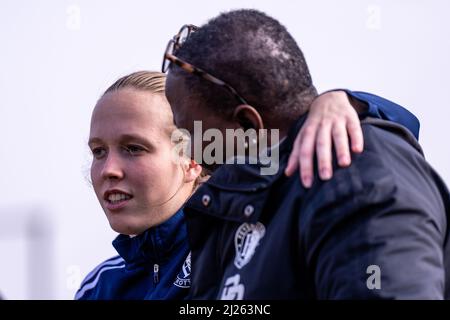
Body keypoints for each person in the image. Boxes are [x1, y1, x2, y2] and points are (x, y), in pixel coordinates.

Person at [163, 9, 450, 299]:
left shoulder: (355, 179)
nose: (186, 148)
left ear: (248, 124)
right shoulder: (249, 200)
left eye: (188, 131)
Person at [75, 67, 419, 299]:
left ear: (193, 157)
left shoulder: (253, 240)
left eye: (134, 148)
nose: (109, 169)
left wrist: (340, 103)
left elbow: (404, 130)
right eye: (99, 151)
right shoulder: (99, 286)